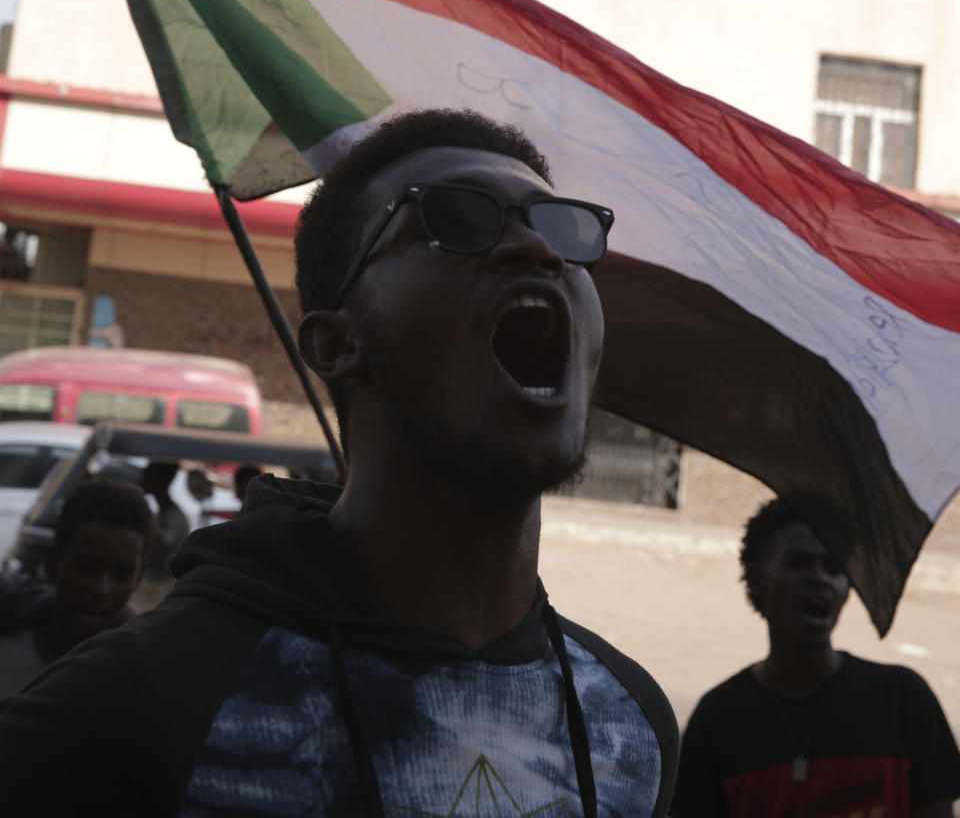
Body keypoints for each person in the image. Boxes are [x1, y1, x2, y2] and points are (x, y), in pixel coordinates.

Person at [0, 108, 677, 816]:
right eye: (455, 218)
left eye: (561, 227)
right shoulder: (140, 705)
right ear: (334, 344)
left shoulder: (629, 725)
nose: (537, 249)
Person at [670, 495, 960, 818]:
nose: (819, 577)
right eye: (798, 562)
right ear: (756, 579)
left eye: (834, 566)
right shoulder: (718, 721)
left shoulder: (904, 701)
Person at [0, 477, 152, 698]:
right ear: (53, 564)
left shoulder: (139, 681)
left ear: (138, 577)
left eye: (122, 574)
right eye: (86, 568)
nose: (102, 590)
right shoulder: (8, 648)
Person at [141, 460, 190, 578]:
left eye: (149, 474)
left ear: (162, 479)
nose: (143, 478)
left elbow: (154, 545)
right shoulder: (162, 513)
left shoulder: (175, 518)